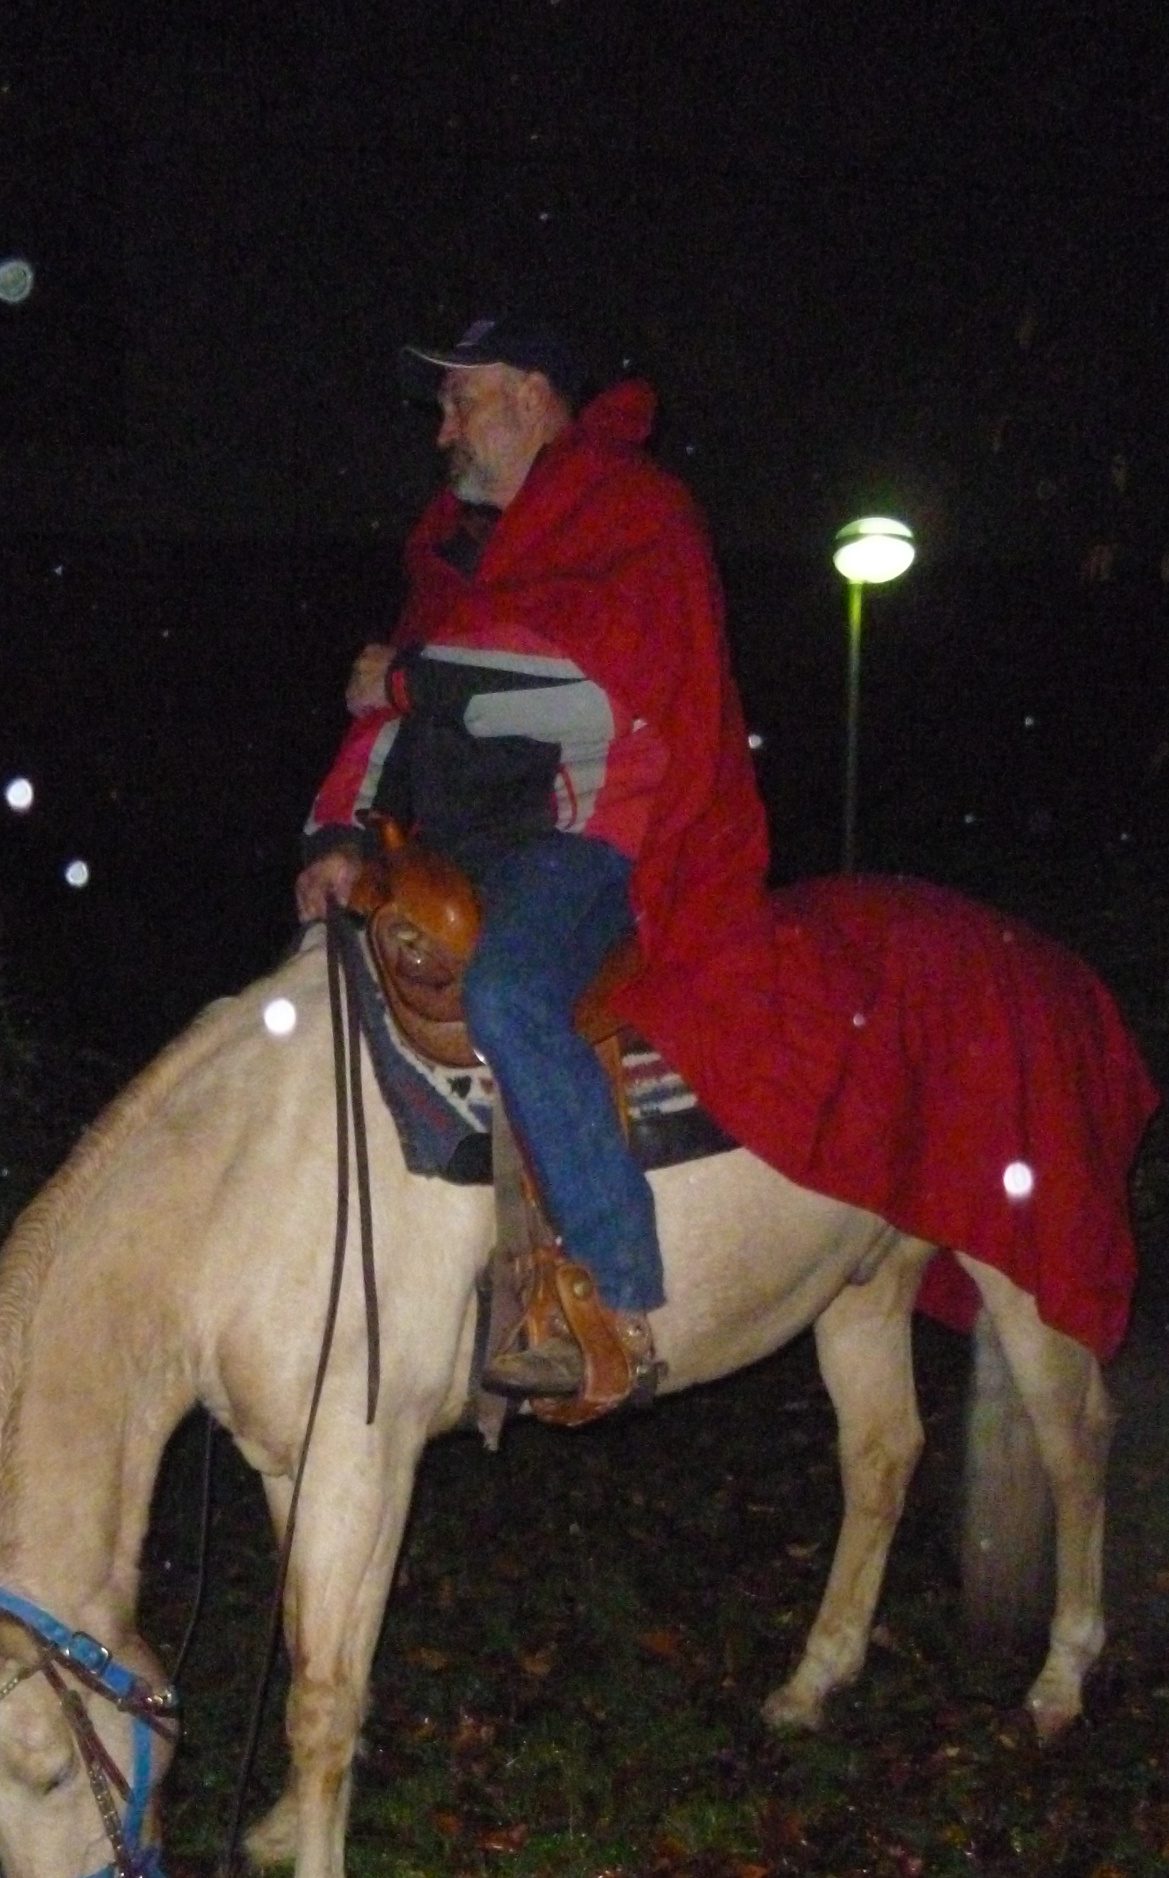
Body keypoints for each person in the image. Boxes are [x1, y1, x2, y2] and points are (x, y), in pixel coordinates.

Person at [295, 311, 769, 1401]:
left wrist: (415, 679)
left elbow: (591, 688)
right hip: (452, 855)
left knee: (510, 993)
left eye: (460, 401)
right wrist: (333, 832)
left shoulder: (631, 510)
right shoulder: (453, 555)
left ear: (527, 393)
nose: (442, 431)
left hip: (590, 837)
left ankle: (620, 1291)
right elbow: (389, 714)